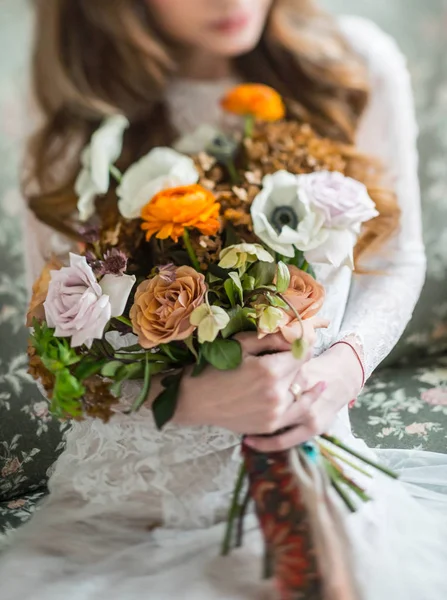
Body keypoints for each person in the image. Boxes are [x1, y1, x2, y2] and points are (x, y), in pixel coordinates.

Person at [1, 0, 447, 598]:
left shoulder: (351, 65)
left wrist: (341, 369)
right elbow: (59, 340)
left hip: (307, 471)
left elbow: (397, 259)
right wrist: (188, 396)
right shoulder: (74, 108)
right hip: (132, 501)